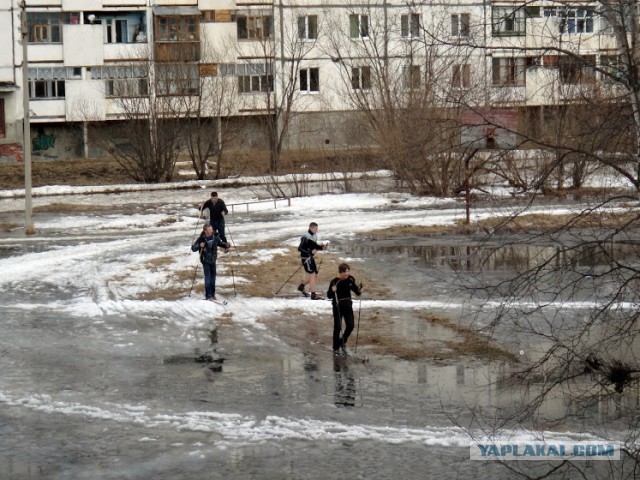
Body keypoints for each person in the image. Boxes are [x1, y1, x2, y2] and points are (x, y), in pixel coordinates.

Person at [327, 263, 363, 355]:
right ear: (340, 272)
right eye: (344, 272)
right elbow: (329, 295)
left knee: (350, 326)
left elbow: (356, 292)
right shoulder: (335, 281)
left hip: (347, 305)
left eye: (347, 271)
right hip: (337, 306)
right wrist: (332, 290)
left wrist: (359, 290)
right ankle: (335, 348)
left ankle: (342, 342)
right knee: (338, 327)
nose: (346, 274)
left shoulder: (350, 279)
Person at [191, 224, 229, 301]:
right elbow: (193, 248)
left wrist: (226, 245)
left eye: (211, 229)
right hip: (205, 260)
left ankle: (213, 294)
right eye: (210, 230)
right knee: (208, 277)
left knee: (213, 277)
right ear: (205, 231)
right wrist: (199, 245)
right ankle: (208, 295)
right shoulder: (202, 238)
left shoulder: (215, 236)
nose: (211, 231)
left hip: (213, 260)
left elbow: (220, 243)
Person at [297, 222, 328, 300]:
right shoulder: (306, 236)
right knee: (312, 274)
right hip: (306, 258)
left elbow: (314, 246)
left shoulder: (314, 236)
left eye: (317, 229)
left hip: (310, 258)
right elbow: (300, 248)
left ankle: (302, 286)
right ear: (311, 228)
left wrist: (322, 247)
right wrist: (309, 252)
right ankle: (313, 295)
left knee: (315, 275)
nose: (317, 230)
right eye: (316, 229)